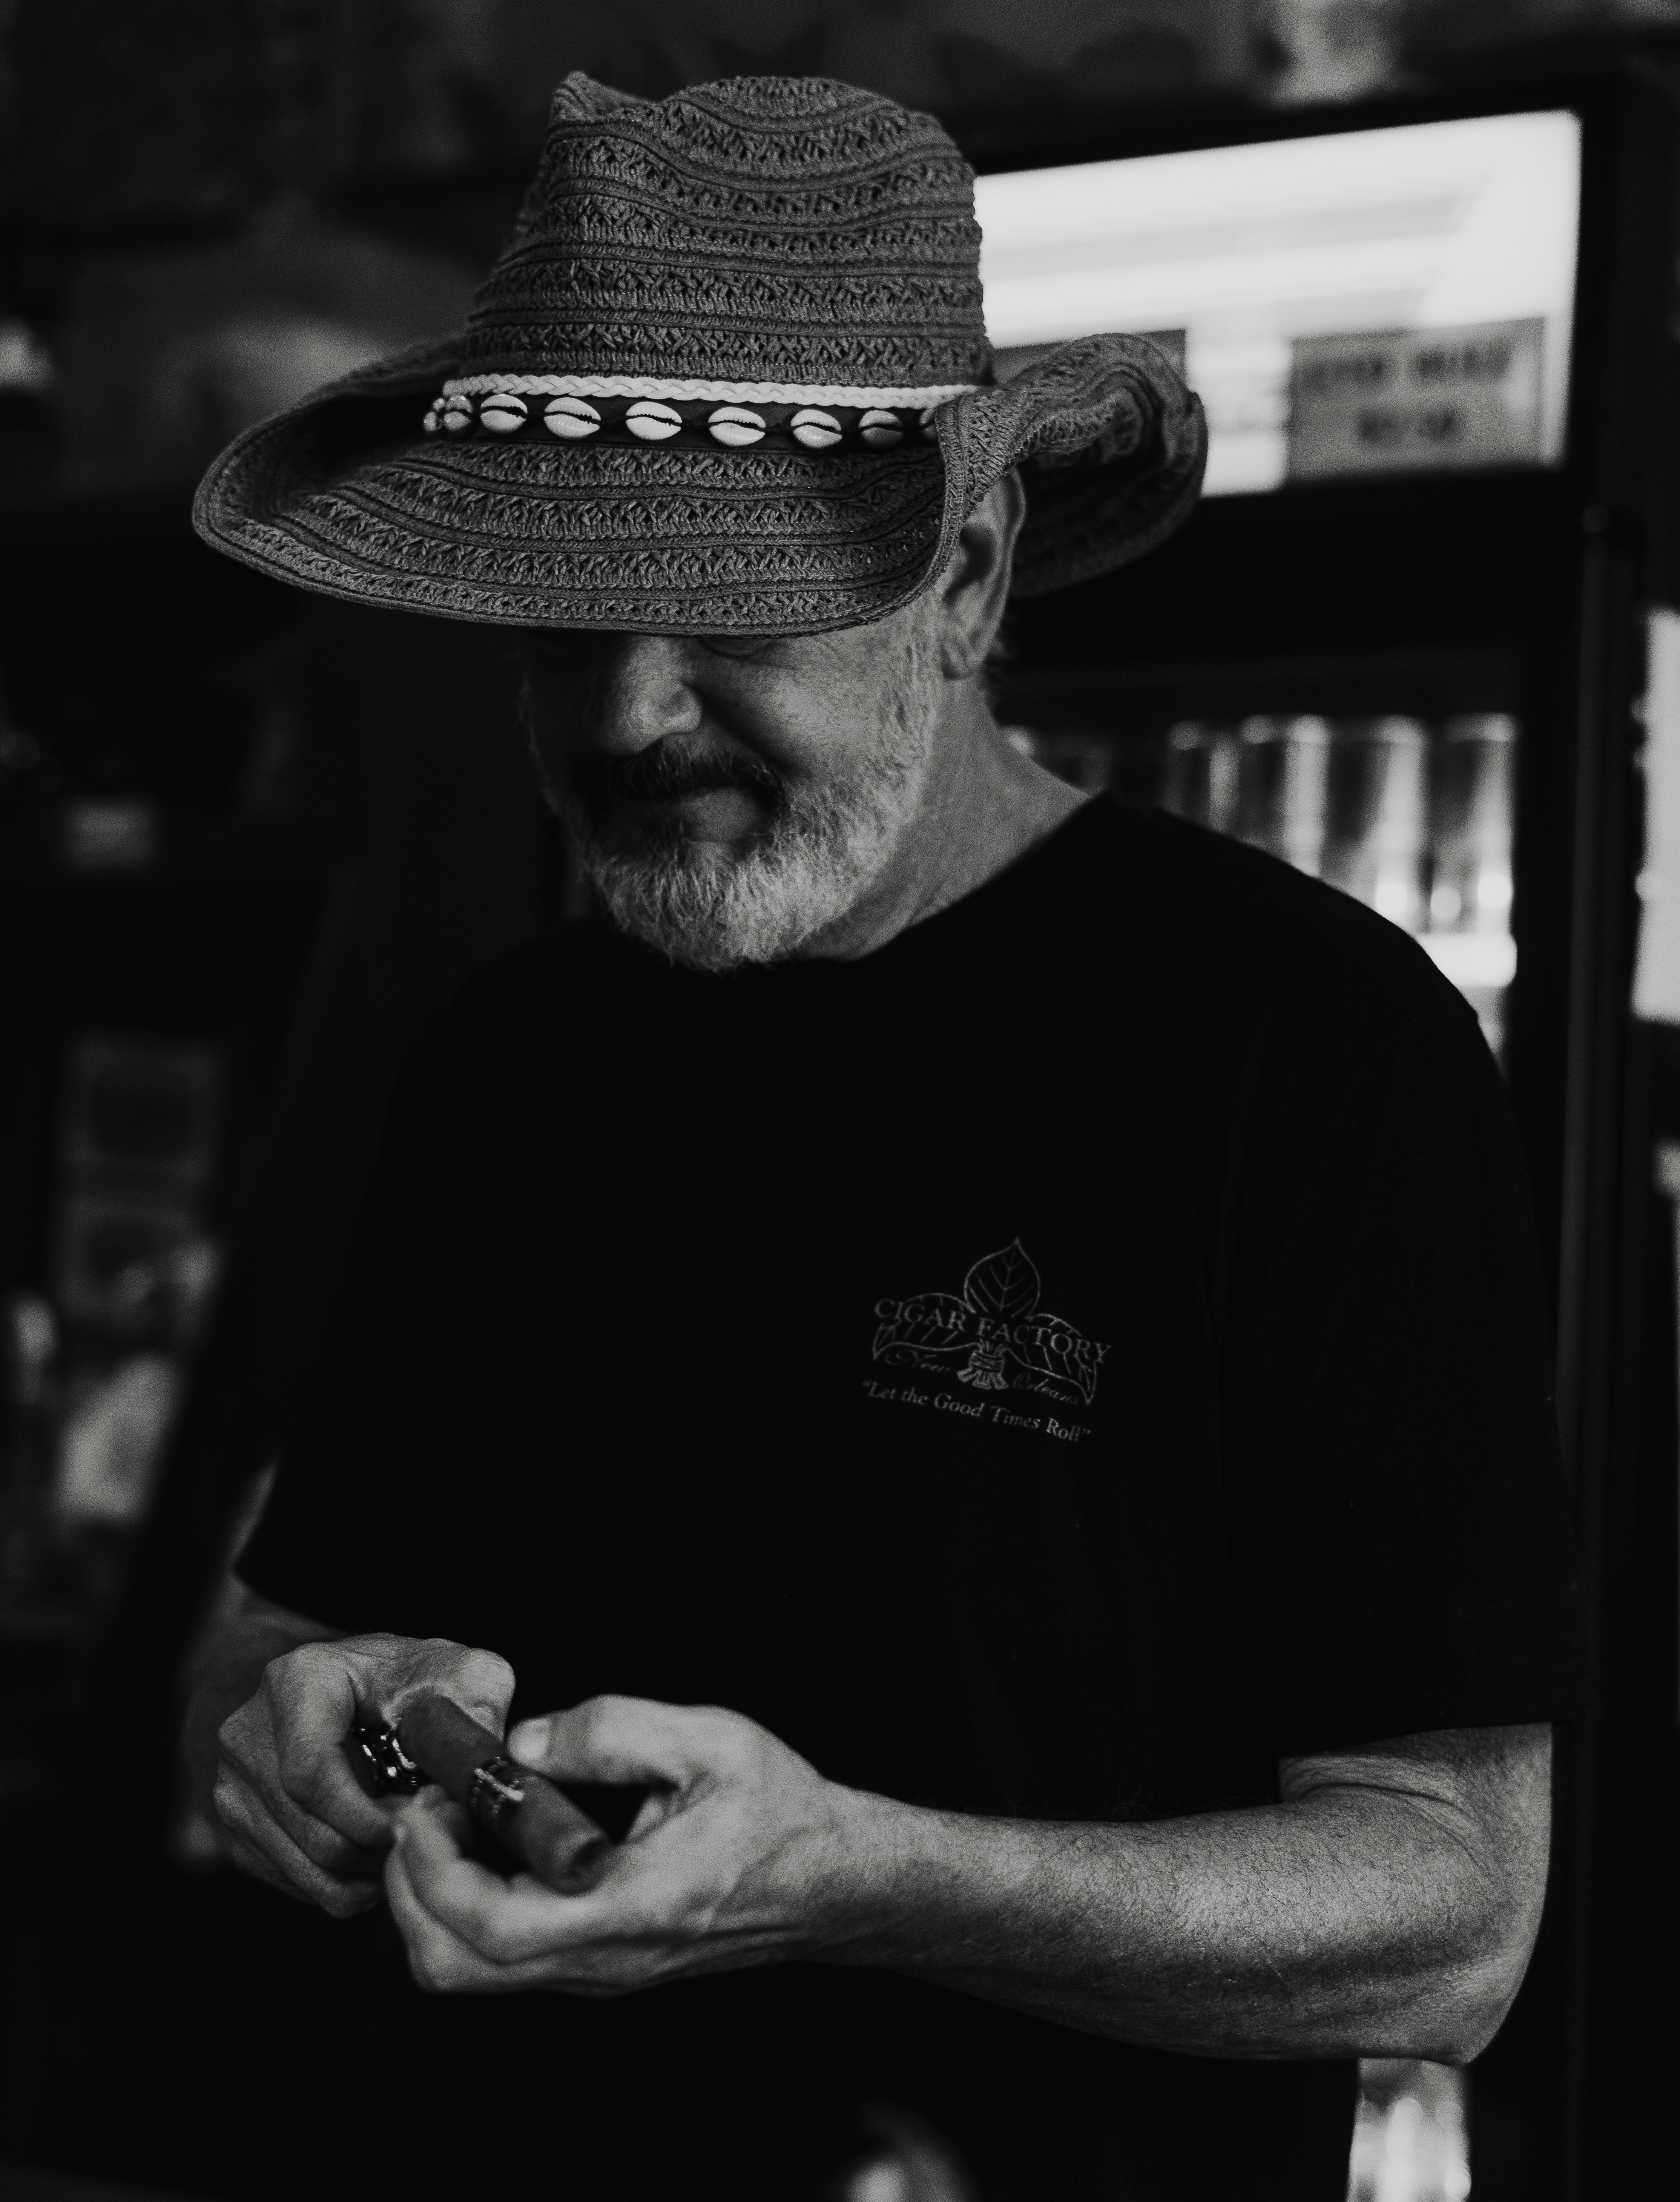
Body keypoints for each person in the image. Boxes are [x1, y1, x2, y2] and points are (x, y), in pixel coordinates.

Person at [185, 71, 1584, 2202]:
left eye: (739, 608)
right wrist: (305, 1718)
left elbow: (1453, 1912)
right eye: (575, 619)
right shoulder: (503, 1055)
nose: (636, 714)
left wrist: (854, 1873)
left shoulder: (1303, 1050)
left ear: (969, 571)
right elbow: (264, 1633)